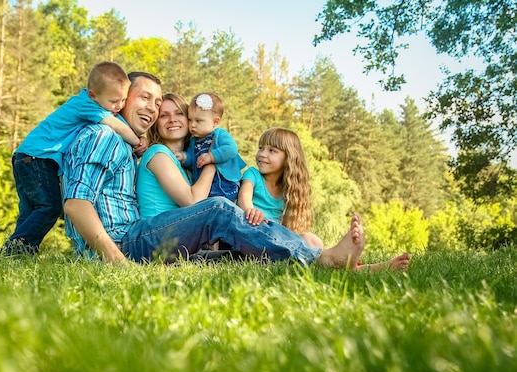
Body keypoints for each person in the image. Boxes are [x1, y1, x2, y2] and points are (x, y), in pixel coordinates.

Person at [62, 80, 365, 269]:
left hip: (148, 238)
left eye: (172, 110)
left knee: (243, 251)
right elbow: (76, 203)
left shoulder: (138, 148)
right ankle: (322, 258)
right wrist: (118, 262)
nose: (160, 113)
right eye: (150, 102)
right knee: (218, 209)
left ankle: (334, 259)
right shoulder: (108, 137)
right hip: (126, 242)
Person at [2, 61, 147, 255]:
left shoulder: (93, 102)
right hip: (38, 159)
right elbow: (117, 126)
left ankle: (12, 254)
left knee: (31, 211)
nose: (119, 106)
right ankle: (21, 250)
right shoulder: (87, 105)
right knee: (50, 207)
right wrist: (137, 142)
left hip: (25, 157)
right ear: (93, 95)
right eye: (114, 102)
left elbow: (118, 120)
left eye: (123, 101)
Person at [238, 126, 410, 271]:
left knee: (311, 240)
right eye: (261, 148)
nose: (262, 154)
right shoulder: (253, 174)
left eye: (272, 150)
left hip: (274, 237)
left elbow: (287, 228)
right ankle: (344, 262)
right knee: (309, 243)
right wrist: (250, 210)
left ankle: (358, 267)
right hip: (253, 231)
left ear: (288, 159)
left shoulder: (286, 189)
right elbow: (244, 194)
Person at [173, 92, 246, 201]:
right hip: (206, 188)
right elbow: (193, 160)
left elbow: (231, 149)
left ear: (215, 122)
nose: (192, 125)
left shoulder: (219, 134)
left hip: (225, 184)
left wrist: (211, 157)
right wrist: (184, 157)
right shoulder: (193, 141)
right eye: (190, 120)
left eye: (198, 121)